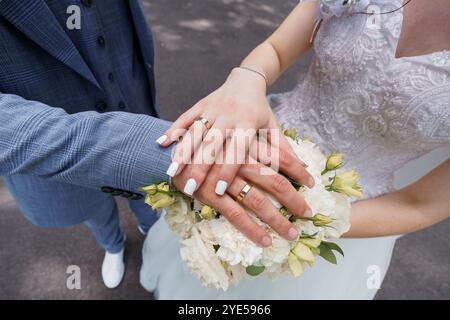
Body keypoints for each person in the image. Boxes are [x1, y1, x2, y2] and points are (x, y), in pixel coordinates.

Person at [141, 0, 450, 299]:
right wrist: (248, 79)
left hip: (350, 215)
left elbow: (418, 205)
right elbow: (274, 51)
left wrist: (306, 218)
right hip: (256, 147)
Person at [0, 0, 310, 289]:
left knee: (153, 204)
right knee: (92, 209)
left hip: (126, 81)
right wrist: (155, 153)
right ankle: (113, 243)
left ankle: (152, 231)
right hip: (43, 133)